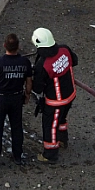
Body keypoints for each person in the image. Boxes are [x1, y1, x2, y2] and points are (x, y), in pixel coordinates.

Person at [0, 33, 33, 169]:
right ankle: (17, 156)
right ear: (18, 47)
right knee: (16, 128)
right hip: (16, 99)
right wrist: (27, 95)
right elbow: (28, 82)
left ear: (5, 46)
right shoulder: (25, 62)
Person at [31, 28, 78, 163]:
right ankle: (63, 140)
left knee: (50, 125)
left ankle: (50, 154)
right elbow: (74, 61)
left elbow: (37, 88)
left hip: (55, 102)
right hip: (70, 94)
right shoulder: (64, 49)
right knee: (62, 119)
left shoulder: (43, 64)